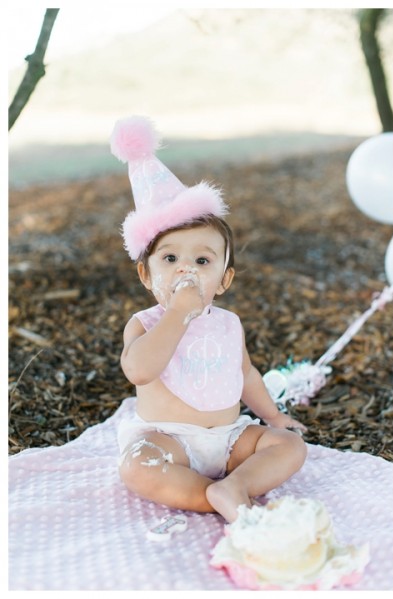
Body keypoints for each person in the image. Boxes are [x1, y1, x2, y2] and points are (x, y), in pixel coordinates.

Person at [110, 115, 307, 523]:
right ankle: (213, 496)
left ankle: (235, 484)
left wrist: (272, 417)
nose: (187, 270)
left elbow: (246, 374)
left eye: (202, 260)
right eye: (170, 259)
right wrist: (177, 314)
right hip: (169, 439)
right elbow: (140, 371)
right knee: (137, 467)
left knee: (289, 447)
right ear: (146, 275)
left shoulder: (228, 323)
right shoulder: (145, 323)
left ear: (223, 280)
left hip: (230, 438)